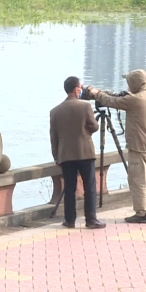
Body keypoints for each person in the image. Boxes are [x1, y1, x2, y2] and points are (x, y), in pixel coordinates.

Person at [89, 70, 146, 224]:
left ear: (134, 83)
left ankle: (141, 213)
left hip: (138, 146)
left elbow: (112, 102)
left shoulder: (134, 99)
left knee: (138, 180)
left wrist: (97, 93)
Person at [49, 76, 106, 229]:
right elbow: (94, 127)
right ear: (76, 89)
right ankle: (91, 220)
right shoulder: (85, 107)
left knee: (69, 188)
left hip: (65, 155)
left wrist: (56, 156)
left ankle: (69, 220)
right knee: (90, 186)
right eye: (80, 87)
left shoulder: (55, 111)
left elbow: (53, 137)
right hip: (85, 153)